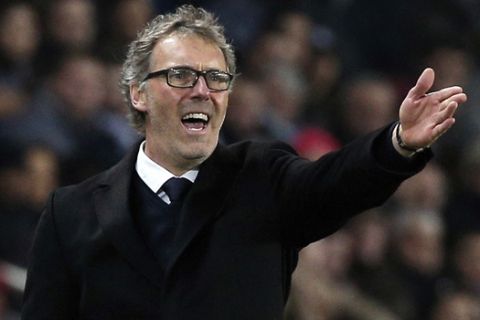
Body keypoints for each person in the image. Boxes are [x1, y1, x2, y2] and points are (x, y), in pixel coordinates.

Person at [22, 5, 467, 319]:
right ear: (138, 93)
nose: (202, 90)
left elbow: (333, 182)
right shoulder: (71, 212)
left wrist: (397, 142)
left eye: (216, 78)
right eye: (180, 75)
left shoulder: (262, 178)